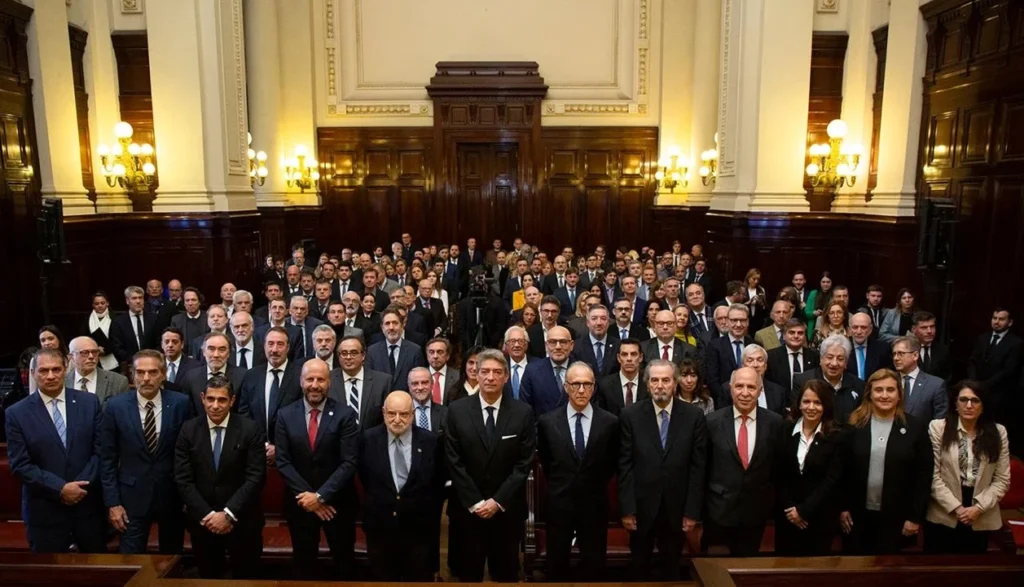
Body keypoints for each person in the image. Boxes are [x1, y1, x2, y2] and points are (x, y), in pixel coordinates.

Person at [444, 349, 536, 582]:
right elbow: (453, 460)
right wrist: (476, 502)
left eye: (497, 372)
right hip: (467, 510)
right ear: (476, 375)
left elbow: (524, 463)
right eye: (484, 371)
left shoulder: (523, 413)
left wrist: (497, 501)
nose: (490, 377)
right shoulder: (457, 411)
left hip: (507, 511)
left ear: (506, 376)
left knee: (505, 575)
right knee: (468, 575)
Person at [4, 349, 106, 553]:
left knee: (95, 568)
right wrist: (61, 488)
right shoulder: (16, 413)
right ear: (33, 373)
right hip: (45, 513)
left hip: (87, 509)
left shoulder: (89, 402)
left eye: (56, 369)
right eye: (43, 371)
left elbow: (101, 451)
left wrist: (79, 487)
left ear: (66, 369)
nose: (50, 376)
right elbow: (20, 465)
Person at [619, 359, 707, 580]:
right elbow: (624, 465)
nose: (660, 385)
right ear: (647, 384)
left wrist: (692, 512)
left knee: (671, 571)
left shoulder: (693, 416)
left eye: (666, 380)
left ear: (675, 383)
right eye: (655, 380)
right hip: (641, 509)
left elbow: (698, 467)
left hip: (676, 509)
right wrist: (628, 509)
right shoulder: (630, 415)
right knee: (639, 570)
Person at [275, 359, 360, 579]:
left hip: (337, 504)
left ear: (329, 383)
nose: (315, 385)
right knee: (304, 567)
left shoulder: (345, 414)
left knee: (344, 565)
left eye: (320, 379)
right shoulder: (285, 415)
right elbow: (283, 461)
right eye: (310, 379)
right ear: (301, 381)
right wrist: (309, 499)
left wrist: (320, 497)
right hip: (300, 504)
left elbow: (349, 461)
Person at [99, 349, 191, 553]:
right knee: (130, 559)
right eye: (140, 372)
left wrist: (189, 498)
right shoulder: (115, 406)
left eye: (152, 372)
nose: (146, 378)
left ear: (163, 374)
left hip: (171, 496)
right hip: (131, 498)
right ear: (132, 375)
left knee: (171, 559)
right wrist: (113, 503)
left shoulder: (181, 403)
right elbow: (107, 459)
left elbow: (190, 454)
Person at [174, 374, 266, 578]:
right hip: (203, 522)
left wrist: (227, 514)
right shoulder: (188, 430)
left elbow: (255, 477)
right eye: (210, 399)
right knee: (209, 578)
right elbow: (183, 479)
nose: (215, 406)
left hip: (242, 521)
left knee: (246, 579)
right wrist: (209, 515)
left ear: (232, 401)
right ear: (202, 398)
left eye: (222, 400)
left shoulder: (250, 429)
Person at [537, 362, 619, 581]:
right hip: (559, 504)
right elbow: (547, 461)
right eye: (575, 384)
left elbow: (611, 462)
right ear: (566, 387)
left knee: (594, 565)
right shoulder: (547, 422)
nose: (581, 390)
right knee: (556, 565)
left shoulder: (610, 422)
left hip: (594, 504)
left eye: (586, 384)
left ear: (594, 387)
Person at [838, 368, 933, 555]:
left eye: (890, 390)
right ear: (869, 394)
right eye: (878, 390)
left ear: (899, 394)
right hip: (857, 516)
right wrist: (842, 507)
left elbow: (923, 476)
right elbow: (841, 470)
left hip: (897, 517)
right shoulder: (854, 425)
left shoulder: (915, 427)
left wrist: (915, 517)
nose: (884, 395)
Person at [702, 366, 786, 556]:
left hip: (755, 513)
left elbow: (778, 468)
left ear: (760, 390)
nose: (745, 393)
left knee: (748, 566)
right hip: (718, 512)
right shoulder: (711, 422)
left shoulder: (775, 423)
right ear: (730, 388)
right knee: (715, 567)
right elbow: (703, 468)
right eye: (739, 386)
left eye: (751, 387)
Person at [925, 381, 1011, 554]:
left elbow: (1002, 479)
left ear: (983, 406)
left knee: (972, 568)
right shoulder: (938, 428)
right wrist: (957, 508)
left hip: (981, 510)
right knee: (938, 567)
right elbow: (932, 476)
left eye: (975, 400)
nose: (969, 405)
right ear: (955, 404)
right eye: (963, 400)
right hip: (944, 510)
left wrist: (978, 508)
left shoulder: (998, 432)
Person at [775, 380, 843, 556]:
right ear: (799, 404)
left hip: (820, 518)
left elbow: (832, 480)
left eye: (817, 402)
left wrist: (803, 511)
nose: (811, 407)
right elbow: (778, 473)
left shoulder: (836, 435)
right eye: (806, 401)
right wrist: (791, 509)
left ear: (826, 406)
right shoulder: (785, 429)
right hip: (787, 517)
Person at [237, 327, 303, 466]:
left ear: (288, 348)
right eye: (270, 344)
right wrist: (261, 444)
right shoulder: (251, 375)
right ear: (264, 346)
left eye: (280, 344)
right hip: (256, 452)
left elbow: (302, 418)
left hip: (292, 456)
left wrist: (280, 447)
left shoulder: (300, 376)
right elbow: (244, 413)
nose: (274, 349)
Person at [792, 334, 864, 424]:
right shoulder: (803, 381)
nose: (834, 363)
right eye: (829, 357)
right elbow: (796, 416)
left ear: (846, 363)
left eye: (840, 359)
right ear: (821, 359)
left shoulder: (858, 385)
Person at [968, 308, 1024, 421]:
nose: (996, 322)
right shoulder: (982, 338)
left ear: (1010, 322)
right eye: (994, 318)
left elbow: (1008, 370)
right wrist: (973, 382)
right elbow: (972, 361)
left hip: (999, 394)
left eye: (1001, 319)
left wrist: (985, 385)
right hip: (976, 389)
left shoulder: (1016, 343)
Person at [328, 335, 391, 430]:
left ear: (363, 355)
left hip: (371, 438)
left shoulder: (382, 382)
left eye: (354, 353)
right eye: (344, 353)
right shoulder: (328, 379)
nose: (348, 357)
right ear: (338, 356)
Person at [179, 332, 246, 417]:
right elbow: (188, 412)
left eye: (222, 349)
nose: (216, 355)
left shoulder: (243, 376)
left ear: (229, 353)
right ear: (203, 352)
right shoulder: (190, 377)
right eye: (211, 349)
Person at [520, 325, 575, 416]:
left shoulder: (584, 370)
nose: (558, 347)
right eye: (553, 342)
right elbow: (525, 409)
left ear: (571, 345)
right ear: (546, 345)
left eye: (563, 342)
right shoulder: (532, 371)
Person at [705, 304, 755, 402]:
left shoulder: (755, 345)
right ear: (728, 321)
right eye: (734, 320)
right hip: (725, 401)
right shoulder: (715, 346)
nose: (738, 324)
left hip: (751, 399)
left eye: (742, 320)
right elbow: (712, 379)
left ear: (748, 322)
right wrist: (729, 398)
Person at [891, 335, 948, 421]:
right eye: (894, 354)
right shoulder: (889, 381)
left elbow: (939, 419)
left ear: (915, 355)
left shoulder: (935, 385)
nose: (896, 358)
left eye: (901, 353)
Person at [66, 336, 130, 404]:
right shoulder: (63, 381)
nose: (91, 356)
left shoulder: (118, 382)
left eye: (94, 352)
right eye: (84, 352)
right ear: (72, 357)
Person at [594, 338, 648, 416]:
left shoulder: (649, 384)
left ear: (640, 357)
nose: (629, 359)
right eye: (624, 354)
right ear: (618, 358)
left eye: (633, 354)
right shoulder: (604, 386)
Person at [110, 285, 158, 368]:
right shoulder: (118, 322)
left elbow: (159, 341)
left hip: (152, 363)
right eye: (134, 298)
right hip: (130, 365)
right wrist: (134, 360)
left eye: (140, 298)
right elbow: (117, 347)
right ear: (127, 301)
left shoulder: (154, 318)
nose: (138, 301)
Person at [766, 319, 819, 391]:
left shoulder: (814, 356)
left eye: (800, 333)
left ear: (804, 336)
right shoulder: (771, 357)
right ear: (784, 335)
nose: (796, 336)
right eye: (792, 332)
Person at [570, 305, 620, 378]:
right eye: (594, 319)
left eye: (603, 318)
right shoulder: (577, 346)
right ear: (588, 323)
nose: (599, 323)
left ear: (608, 322)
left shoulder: (618, 346)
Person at [847, 312, 892, 380]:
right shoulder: (842, 348)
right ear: (849, 329)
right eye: (855, 327)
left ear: (870, 329)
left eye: (863, 327)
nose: (859, 332)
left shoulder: (883, 348)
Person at [81, 291, 119, 371]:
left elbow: (118, 338)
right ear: (93, 305)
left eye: (102, 303)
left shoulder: (115, 318)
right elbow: (83, 337)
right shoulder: (87, 319)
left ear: (107, 303)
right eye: (97, 304)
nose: (100, 305)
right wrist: (95, 349)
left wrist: (106, 350)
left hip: (112, 357)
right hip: (92, 356)